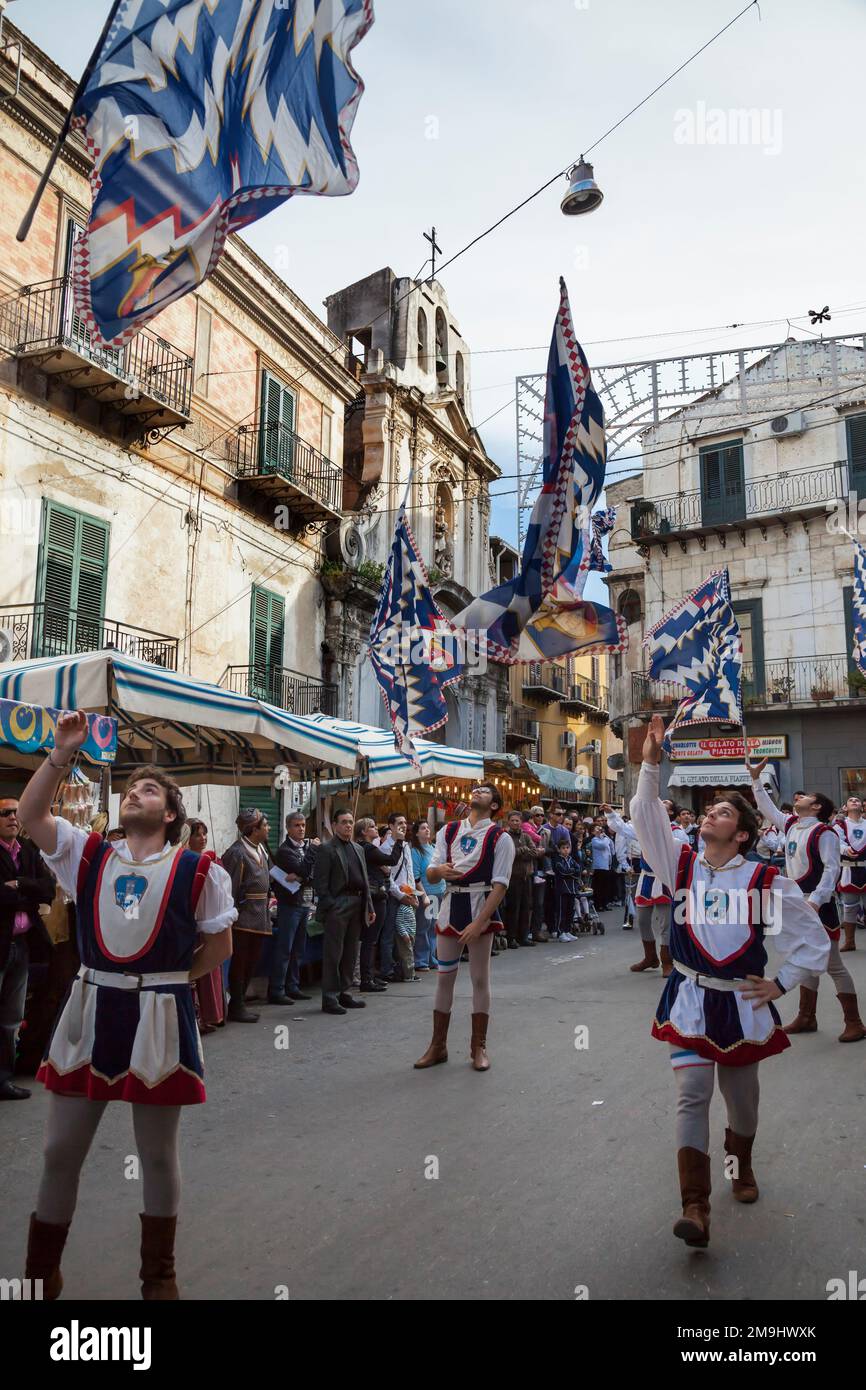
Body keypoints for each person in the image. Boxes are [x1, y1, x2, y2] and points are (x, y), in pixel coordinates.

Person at [18, 712, 235, 1299]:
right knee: (60, 1148)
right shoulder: (86, 854)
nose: (133, 793)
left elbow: (220, 944)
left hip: (158, 1016)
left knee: (157, 1155)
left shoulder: (199, 871)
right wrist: (62, 752)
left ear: (169, 814)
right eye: (130, 787)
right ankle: (40, 1275)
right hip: (89, 1006)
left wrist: (169, 983)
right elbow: (31, 816)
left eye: (148, 789)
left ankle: (157, 1276)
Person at [632, 715, 830, 1250]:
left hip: (742, 1003)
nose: (709, 813)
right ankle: (695, 1206)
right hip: (690, 998)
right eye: (709, 808)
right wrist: (652, 763)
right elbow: (644, 813)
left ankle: (740, 1162)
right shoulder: (680, 865)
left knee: (743, 1104)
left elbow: (814, 941)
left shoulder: (766, 880)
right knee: (691, 1095)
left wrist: (782, 984)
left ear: (741, 833)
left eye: (722, 811)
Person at [748, 765, 865, 1041]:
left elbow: (831, 869)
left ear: (816, 807)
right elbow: (767, 808)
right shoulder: (791, 824)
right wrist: (755, 779)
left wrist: (815, 901)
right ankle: (806, 1016)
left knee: (833, 964)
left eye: (807, 797)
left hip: (817, 906)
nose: (799, 797)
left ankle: (855, 1022)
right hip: (796, 903)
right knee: (804, 957)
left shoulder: (824, 832)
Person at [414, 783, 515, 1073]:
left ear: (494, 805)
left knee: (479, 979)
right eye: (476, 788)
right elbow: (431, 870)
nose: (477, 791)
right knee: (444, 977)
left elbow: (500, 885)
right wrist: (439, 872)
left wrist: (479, 922)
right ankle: (438, 1045)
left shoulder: (501, 837)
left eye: (485, 791)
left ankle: (478, 1046)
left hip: (479, 905)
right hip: (450, 906)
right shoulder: (448, 831)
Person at [0, 797, 55, 1100]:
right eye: (5, 813)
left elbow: (48, 889)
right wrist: (28, 891)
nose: (12, 817)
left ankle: (3, 1078)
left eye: (15, 813)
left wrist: (18, 884)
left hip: (22, 945)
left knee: (11, 1017)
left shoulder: (28, 851)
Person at [312, 809, 376, 1015]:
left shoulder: (358, 848)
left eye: (350, 822)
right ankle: (330, 998)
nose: (348, 825)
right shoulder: (327, 849)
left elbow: (365, 879)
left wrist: (370, 906)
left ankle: (344, 993)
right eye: (344, 822)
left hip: (358, 903)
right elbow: (320, 883)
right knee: (334, 953)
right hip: (338, 904)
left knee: (350, 952)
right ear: (335, 825)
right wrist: (331, 905)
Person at [221, 809, 273, 1023]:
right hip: (244, 916)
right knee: (240, 962)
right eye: (265, 825)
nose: (268, 828)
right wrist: (232, 914)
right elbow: (230, 887)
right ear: (254, 829)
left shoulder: (261, 848)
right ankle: (237, 1005)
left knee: (252, 960)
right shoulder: (237, 853)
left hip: (261, 914)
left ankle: (239, 1001)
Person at [270, 812, 319, 1004]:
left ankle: (293, 986)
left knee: (299, 949)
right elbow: (305, 869)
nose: (301, 829)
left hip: (306, 903)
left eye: (303, 825)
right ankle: (277, 990)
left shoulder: (306, 848)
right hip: (290, 904)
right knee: (285, 949)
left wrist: (301, 877)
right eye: (297, 825)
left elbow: (314, 873)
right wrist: (304, 871)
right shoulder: (285, 851)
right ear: (288, 828)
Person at [186, 820, 226, 1032]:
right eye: (197, 834)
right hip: (193, 923)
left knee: (211, 967)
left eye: (204, 834)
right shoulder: (184, 863)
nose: (202, 838)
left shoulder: (213, 862)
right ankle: (197, 1018)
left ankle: (211, 1015)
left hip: (210, 922)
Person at [355, 817, 402, 991]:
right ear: (364, 832)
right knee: (370, 940)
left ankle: (369, 976)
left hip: (375, 895)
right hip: (375, 897)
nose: (376, 829)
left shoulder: (366, 848)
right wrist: (398, 841)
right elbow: (392, 860)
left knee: (371, 940)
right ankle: (367, 979)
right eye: (372, 827)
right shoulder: (367, 848)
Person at [378, 812, 417, 982]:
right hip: (394, 896)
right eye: (399, 822)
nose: (403, 825)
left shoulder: (406, 846)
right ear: (391, 826)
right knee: (389, 934)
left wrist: (412, 893)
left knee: (407, 933)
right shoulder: (385, 848)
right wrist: (401, 896)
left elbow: (410, 871)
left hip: (408, 895)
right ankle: (387, 969)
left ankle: (402, 968)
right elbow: (389, 879)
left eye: (405, 822)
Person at [501, 810, 537, 947]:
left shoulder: (526, 836)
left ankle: (523, 937)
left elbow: (534, 851)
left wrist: (523, 851)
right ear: (508, 822)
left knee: (526, 907)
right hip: (512, 877)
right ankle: (511, 937)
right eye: (513, 820)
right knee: (513, 908)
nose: (516, 823)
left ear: (521, 822)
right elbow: (507, 854)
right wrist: (522, 850)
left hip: (526, 876)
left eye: (518, 820)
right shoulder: (505, 836)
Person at [834, 796, 866, 952]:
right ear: (845, 807)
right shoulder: (840, 825)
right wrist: (845, 849)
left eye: (857, 800)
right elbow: (836, 841)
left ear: (862, 807)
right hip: (848, 869)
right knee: (849, 907)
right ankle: (850, 941)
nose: (854, 801)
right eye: (851, 800)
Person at [411, 820, 442, 970]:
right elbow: (416, 876)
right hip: (427, 893)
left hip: (438, 892)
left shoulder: (434, 848)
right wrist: (423, 895)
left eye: (427, 827)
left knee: (433, 927)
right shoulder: (416, 851)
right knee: (424, 926)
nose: (427, 830)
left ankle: (431, 958)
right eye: (423, 828)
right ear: (417, 833)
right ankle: (421, 960)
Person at [524, 806, 551, 941]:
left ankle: (536, 931)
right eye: (537, 815)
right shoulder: (527, 829)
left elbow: (549, 848)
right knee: (528, 903)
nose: (540, 818)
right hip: (529, 870)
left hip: (542, 870)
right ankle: (526, 931)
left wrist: (544, 851)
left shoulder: (546, 832)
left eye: (542, 815)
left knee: (539, 904)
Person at [551, 841, 581, 940]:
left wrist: (572, 872)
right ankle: (560, 932)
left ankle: (567, 930)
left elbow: (578, 870)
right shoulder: (557, 860)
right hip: (562, 890)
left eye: (567, 848)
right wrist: (572, 872)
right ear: (559, 849)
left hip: (572, 889)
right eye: (563, 848)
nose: (566, 850)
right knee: (561, 911)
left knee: (570, 911)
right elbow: (563, 872)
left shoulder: (571, 859)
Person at [589, 822, 614, 912]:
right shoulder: (594, 840)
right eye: (596, 828)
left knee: (605, 886)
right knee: (598, 887)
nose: (599, 829)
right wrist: (605, 838)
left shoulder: (604, 838)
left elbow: (611, 846)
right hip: (599, 866)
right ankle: (598, 904)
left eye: (599, 828)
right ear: (592, 832)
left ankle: (604, 904)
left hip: (606, 865)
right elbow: (603, 845)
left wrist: (605, 837)